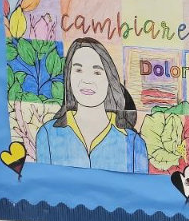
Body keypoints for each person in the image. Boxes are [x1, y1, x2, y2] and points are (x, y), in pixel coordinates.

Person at [33, 37, 141, 170]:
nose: (87, 80)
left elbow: (141, 188)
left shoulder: (133, 142)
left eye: (97, 72)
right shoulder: (47, 134)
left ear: (110, 80)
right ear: (69, 77)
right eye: (78, 70)